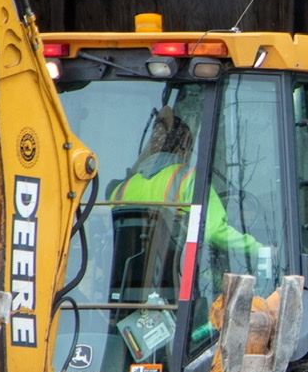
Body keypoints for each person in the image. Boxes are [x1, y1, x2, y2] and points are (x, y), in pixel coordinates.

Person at [111, 106, 267, 260]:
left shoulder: (121, 189)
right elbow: (214, 232)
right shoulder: (189, 179)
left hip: (124, 277)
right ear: (184, 148)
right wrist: (261, 250)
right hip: (174, 275)